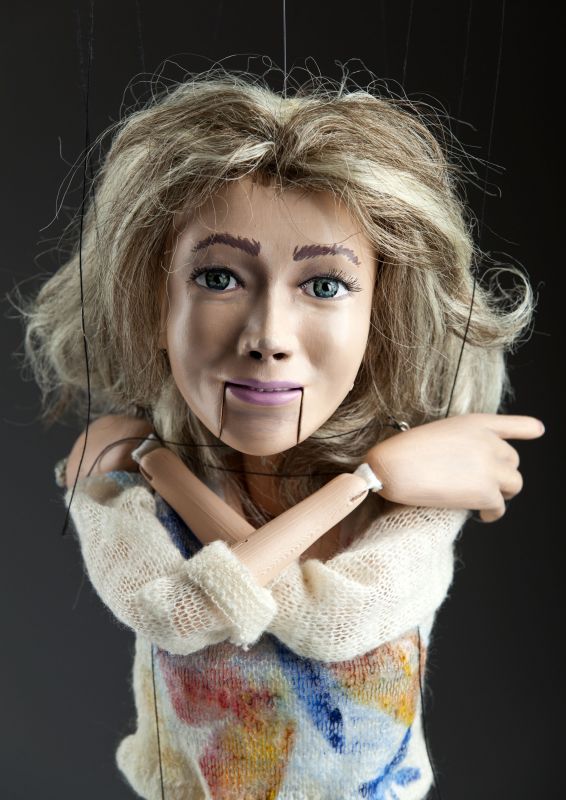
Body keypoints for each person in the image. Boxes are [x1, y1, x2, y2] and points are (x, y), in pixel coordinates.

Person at [24, 71, 543, 799]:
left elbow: (335, 619)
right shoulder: (123, 491)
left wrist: (164, 464)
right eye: (218, 278)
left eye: (324, 285)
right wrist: (360, 481)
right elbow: (179, 612)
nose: (267, 336)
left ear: (382, 315)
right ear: (153, 300)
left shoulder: (417, 506)